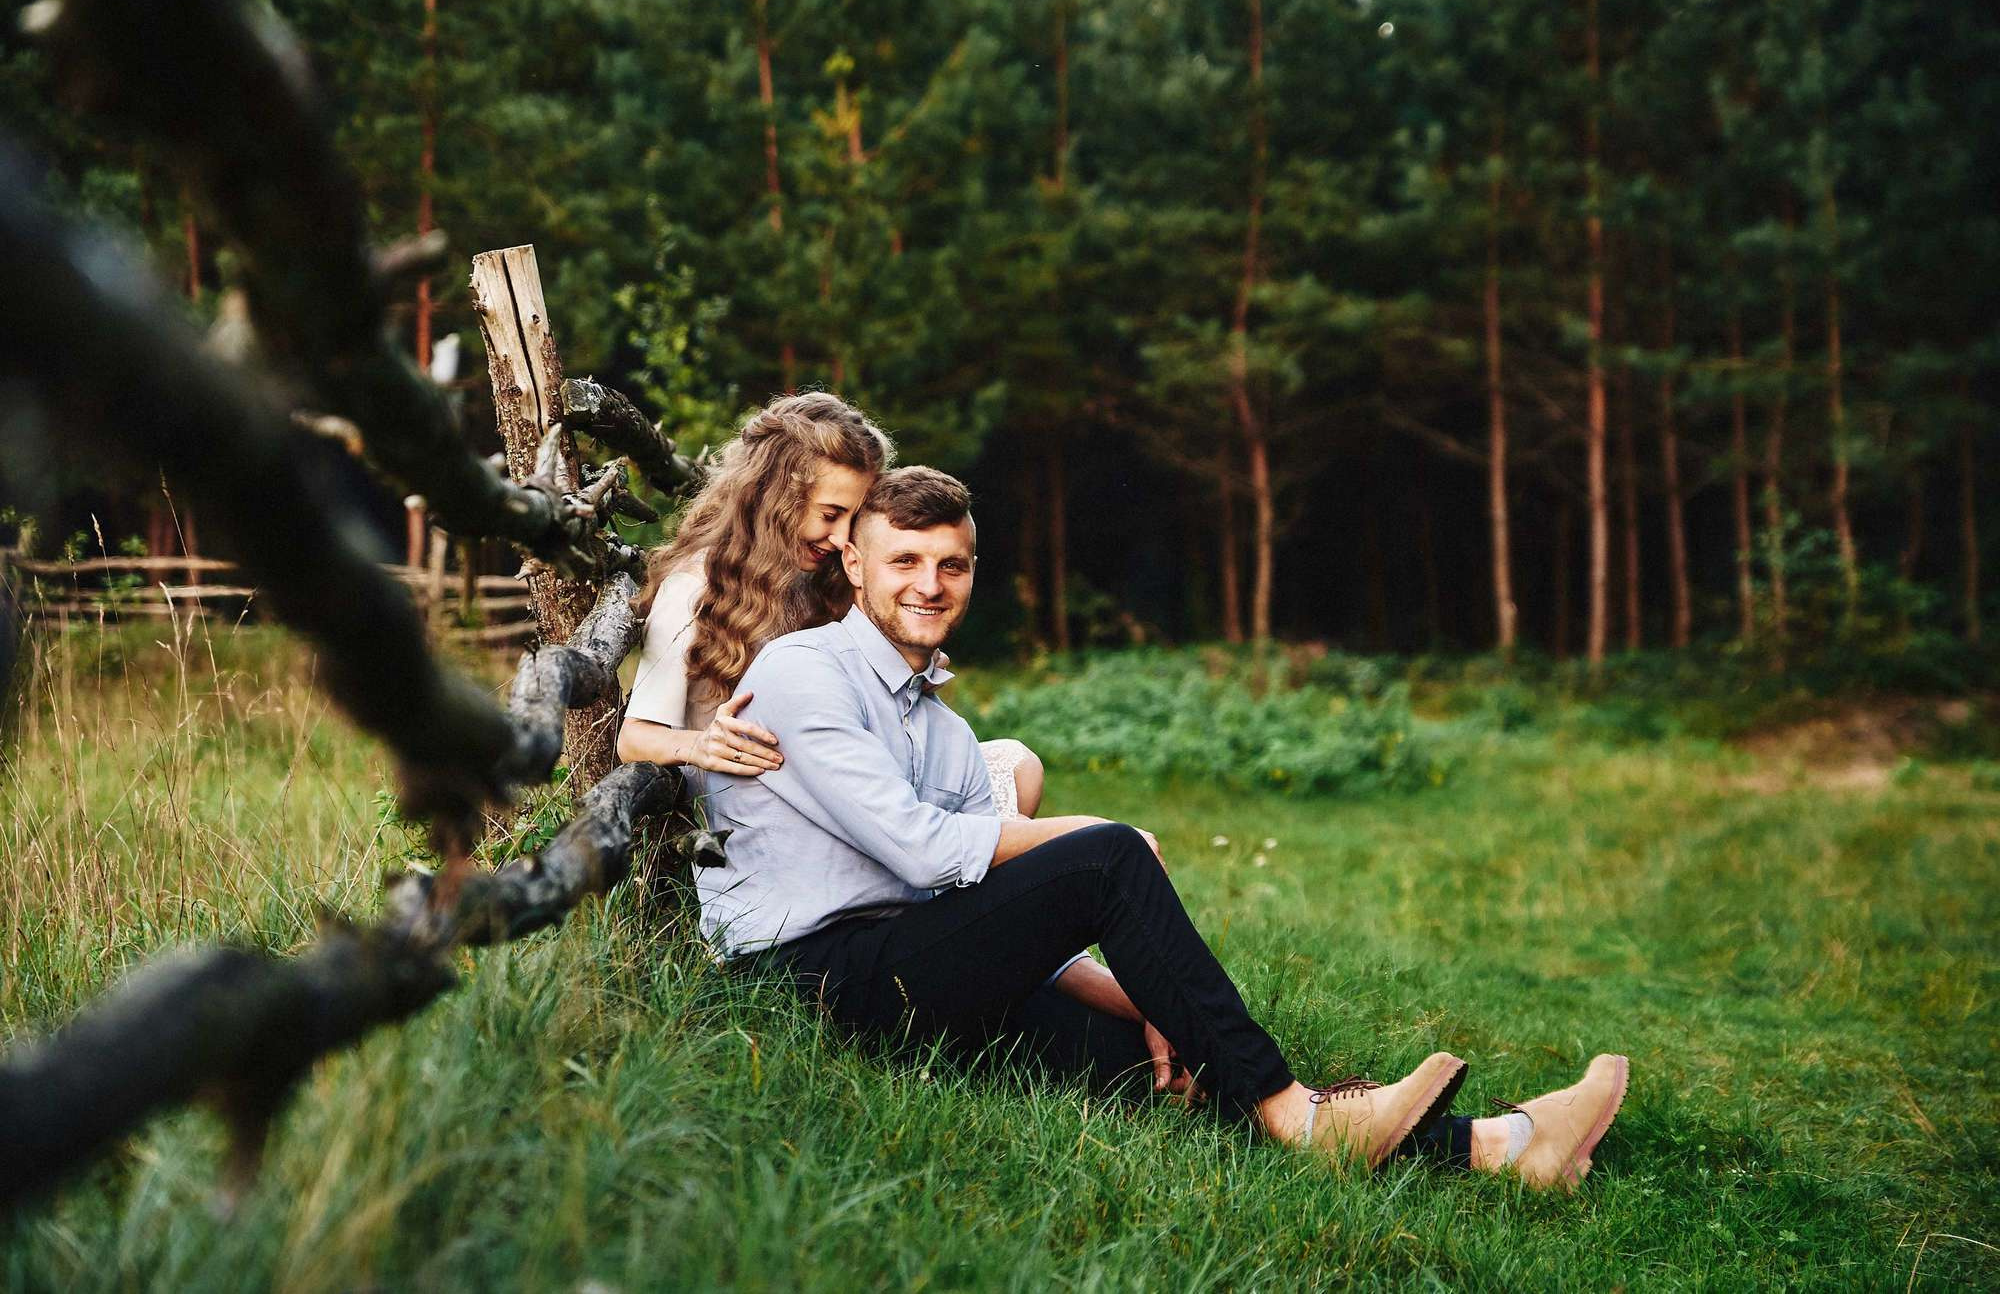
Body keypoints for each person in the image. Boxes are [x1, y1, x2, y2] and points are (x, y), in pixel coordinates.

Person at [701, 466, 1631, 1188]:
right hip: (802, 982)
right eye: (904, 560)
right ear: (856, 563)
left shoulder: (939, 728)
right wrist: (1103, 830)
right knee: (1106, 854)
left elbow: (993, 906)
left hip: (908, 966)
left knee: (1161, 1064)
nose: (930, 584)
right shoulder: (804, 672)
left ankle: (1508, 1147)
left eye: (951, 563)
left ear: (973, 570)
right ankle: (1299, 1117)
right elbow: (918, 847)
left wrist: (1153, 1003)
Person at [615, 392, 1043, 817]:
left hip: (848, 767)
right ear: (775, 501)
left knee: (1018, 767)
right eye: (829, 514)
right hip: (766, 793)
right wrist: (700, 744)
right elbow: (634, 738)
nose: (841, 538)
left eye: (852, 519)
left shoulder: (825, 576)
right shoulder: (695, 587)